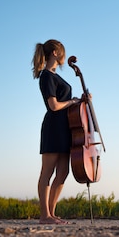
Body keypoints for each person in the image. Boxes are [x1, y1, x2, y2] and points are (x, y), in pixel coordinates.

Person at [32, 39, 81, 224]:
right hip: (53, 127)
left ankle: (52, 214)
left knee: (63, 172)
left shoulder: (55, 76)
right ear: (55, 53)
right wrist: (72, 102)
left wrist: (80, 101)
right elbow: (53, 106)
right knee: (47, 172)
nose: (64, 56)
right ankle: (44, 216)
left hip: (65, 127)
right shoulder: (46, 76)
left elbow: (65, 102)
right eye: (62, 52)